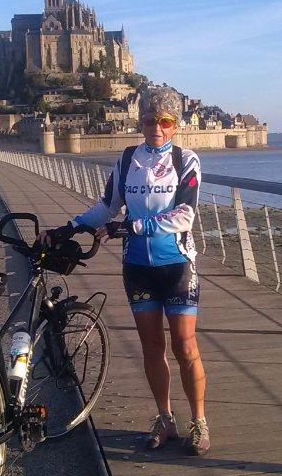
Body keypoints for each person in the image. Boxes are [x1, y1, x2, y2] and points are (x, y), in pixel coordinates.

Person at [42, 87, 210, 455]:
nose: (157, 128)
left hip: (177, 265)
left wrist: (133, 227)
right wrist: (70, 227)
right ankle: (164, 418)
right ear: (141, 122)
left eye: (165, 122)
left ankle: (198, 422)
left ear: (175, 126)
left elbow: (185, 216)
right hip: (137, 267)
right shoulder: (128, 159)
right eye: (150, 121)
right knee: (153, 347)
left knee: (185, 347)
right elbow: (108, 207)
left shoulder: (187, 160)